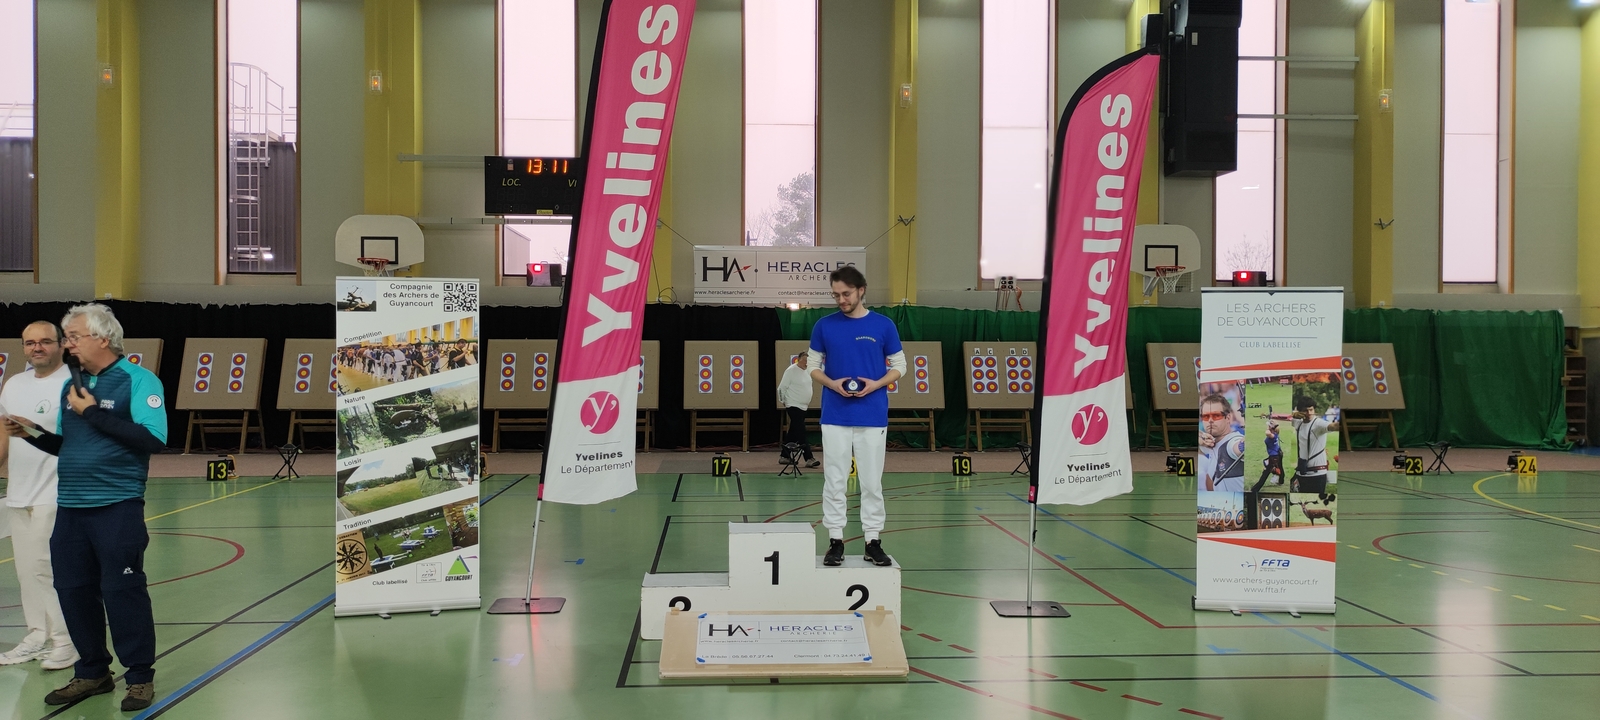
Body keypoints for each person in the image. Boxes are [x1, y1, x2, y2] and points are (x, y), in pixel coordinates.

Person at [3, 304, 167, 712]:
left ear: (103, 338)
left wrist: (91, 411)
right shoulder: (71, 387)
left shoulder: (138, 380)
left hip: (117, 506)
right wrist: (31, 434)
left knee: (122, 591)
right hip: (71, 509)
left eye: (74, 336)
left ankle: (139, 677)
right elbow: (68, 445)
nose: (68, 344)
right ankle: (92, 671)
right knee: (73, 590)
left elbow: (153, 439)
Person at [807, 266, 905, 567]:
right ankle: (835, 541)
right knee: (834, 480)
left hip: (873, 415)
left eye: (846, 294)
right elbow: (813, 366)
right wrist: (831, 383)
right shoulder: (823, 325)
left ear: (861, 290)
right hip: (834, 415)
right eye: (836, 295)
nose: (841, 300)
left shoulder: (884, 325)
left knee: (872, 482)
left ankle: (873, 541)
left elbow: (900, 366)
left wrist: (876, 384)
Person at [0, 321, 78, 671]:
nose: (37, 348)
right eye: (30, 343)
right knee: (26, 572)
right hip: (19, 492)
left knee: (47, 569)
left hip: (56, 492)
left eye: (45, 341)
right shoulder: (14, 384)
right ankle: (37, 636)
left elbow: (78, 439)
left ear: (61, 345)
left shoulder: (73, 383)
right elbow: (4, 434)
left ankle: (66, 642)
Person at [1288, 395, 1338, 494]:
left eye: (1311, 410)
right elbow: (1281, 417)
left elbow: (1333, 426)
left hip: (1317, 474)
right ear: (1300, 412)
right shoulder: (1298, 423)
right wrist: (1293, 414)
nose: (1309, 413)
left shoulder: (1319, 424)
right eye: (1305, 410)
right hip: (1301, 473)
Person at [776, 353, 819, 467]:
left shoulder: (807, 371)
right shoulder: (791, 370)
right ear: (798, 360)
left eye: (808, 361)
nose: (806, 363)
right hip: (793, 405)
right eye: (804, 361)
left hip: (803, 407)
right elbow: (781, 388)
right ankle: (809, 458)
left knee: (793, 432)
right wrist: (783, 401)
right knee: (801, 431)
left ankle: (784, 456)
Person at [1199, 394, 1246, 493]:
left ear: (1228, 418)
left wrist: (1243, 445)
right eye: (1206, 416)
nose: (1210, 420)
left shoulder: (1232, 442)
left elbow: (1238, 447)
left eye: (1216, 416)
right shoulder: (1210, 443)